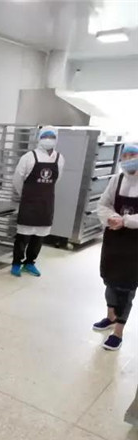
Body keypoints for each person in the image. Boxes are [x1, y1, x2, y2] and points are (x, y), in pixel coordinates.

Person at [93, 143, 138, 351]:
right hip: (114, 239)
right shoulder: (116, 180)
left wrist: (125, 221)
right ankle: (110, 316)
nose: (128, 159)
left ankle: (118, 331)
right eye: (125, 155)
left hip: (134, 243)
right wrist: (111, 217)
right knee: (110, 279)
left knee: (127, 287)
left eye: (133, 155)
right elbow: (103, 204)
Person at [11, 126, 64, 277]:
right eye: (45, 136)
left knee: (39, 236)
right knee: (23, 236)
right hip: (29, 203)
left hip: (46, 203)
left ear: (56, 139)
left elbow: (57, 179)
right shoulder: (29, 157)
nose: (48, 139)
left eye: (51, 136)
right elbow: (17, 180)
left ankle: (30, 263)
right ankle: (16, 263)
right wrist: (27, 195)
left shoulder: (59, 158)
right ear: (39, 138)